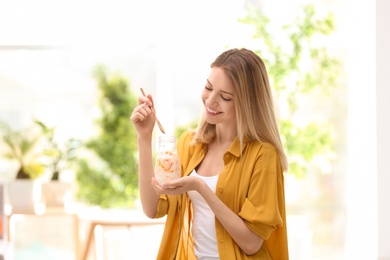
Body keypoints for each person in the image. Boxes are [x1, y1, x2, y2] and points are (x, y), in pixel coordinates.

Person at [130, 48, 289, 259]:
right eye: (208, 87)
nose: (210, 101)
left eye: (225, 97)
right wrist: (144, 137)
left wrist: (200, 187)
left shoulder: (263, 155)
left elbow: (251, 243)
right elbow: (152, 208)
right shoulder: (189, 144)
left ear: (248, 103)